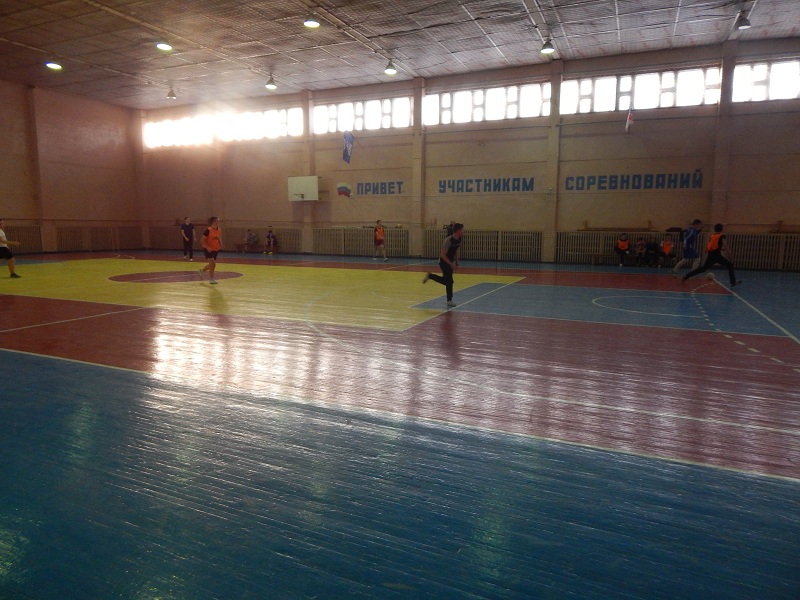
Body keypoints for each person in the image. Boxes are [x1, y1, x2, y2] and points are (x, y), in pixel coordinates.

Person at [423, 222, 464, 308]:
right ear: (458, 231)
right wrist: (451, 264)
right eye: (462, 230)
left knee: (447, 281)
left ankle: (430, 276)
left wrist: (456, 261)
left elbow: (455, 250)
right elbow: (442, 254)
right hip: (443, 262)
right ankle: (449, 300)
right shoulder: (448, 240)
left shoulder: (459, 239)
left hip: (450, 261)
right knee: (449, 282)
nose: (463, 231)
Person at [198, 216, 224, 284]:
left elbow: (218, 237)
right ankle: (211, 279)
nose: (219, 222)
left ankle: (202, 271)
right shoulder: (208, 230)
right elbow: (202, 240)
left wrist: (221, 243)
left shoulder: (219, 230)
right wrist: (207, 247)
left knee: (211, 264)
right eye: (217, 221)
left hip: (215, 249)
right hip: (208, 249)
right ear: (213, 222)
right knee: (213, 264)